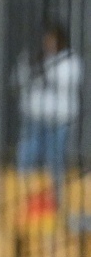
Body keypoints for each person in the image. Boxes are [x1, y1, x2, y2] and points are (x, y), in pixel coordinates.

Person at [17, 22, 81, 178]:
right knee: (28, 153)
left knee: (55, 157)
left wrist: (44, 71)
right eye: (46, 38)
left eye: (52, 39)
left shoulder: (69, 59)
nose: (48, 42)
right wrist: (30, 68)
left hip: (59, 118)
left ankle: (55, 188)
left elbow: (67, 81)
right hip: (35, 116)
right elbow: (20, 79)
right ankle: (23, 183)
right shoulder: (33, 57)